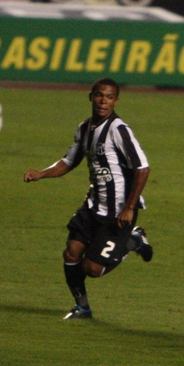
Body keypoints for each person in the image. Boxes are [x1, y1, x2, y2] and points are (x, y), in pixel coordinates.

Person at [24, 77, 153, 320]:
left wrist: (130, 207)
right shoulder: (84, 128)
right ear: (91, 96)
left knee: (92, 269)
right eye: (99, 95)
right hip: (93, 205)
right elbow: (69, 161)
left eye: (110, 97)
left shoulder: (119, 130)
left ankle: (133, 241)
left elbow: (142, 168)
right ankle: (82, 307)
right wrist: (41, 174)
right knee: (71, 253)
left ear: (116, 101)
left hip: (119, 211)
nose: (104, 101)